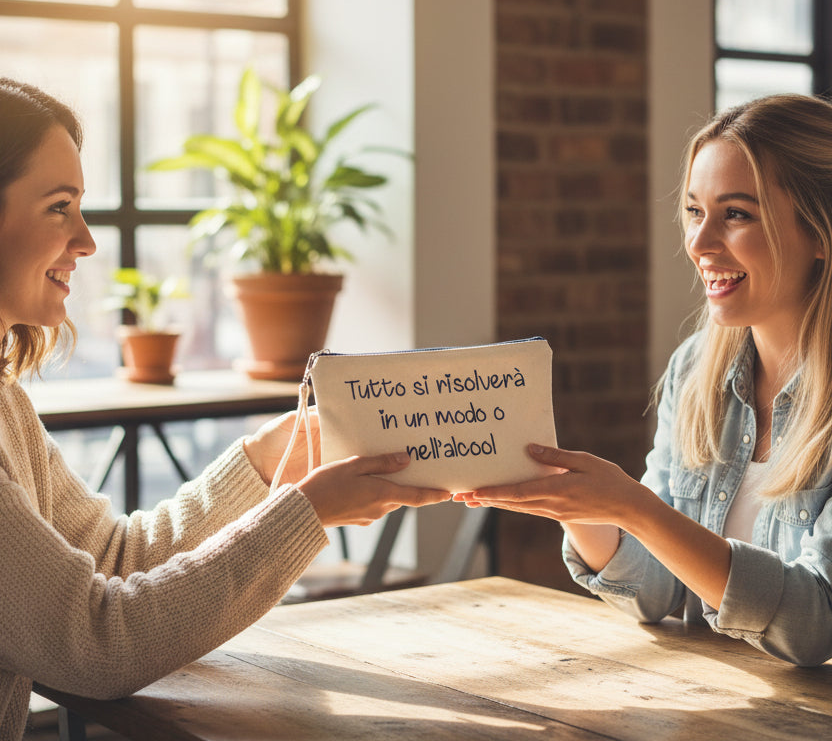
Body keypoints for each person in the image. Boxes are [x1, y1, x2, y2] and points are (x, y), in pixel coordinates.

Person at [0, 77, 450, 741]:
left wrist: (265, 463)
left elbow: (118, 558)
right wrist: (310, 511)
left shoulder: (7, 403)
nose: (88, 240)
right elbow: (99, 643)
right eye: (59, 207)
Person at [455, 94, 832, 667]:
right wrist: (574, 502)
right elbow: (657, 590)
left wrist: (635, 508)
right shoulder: (696, 368)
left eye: (736, 213)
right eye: (693, 211)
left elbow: (815, 624)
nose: (700, 244)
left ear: (821, 230)